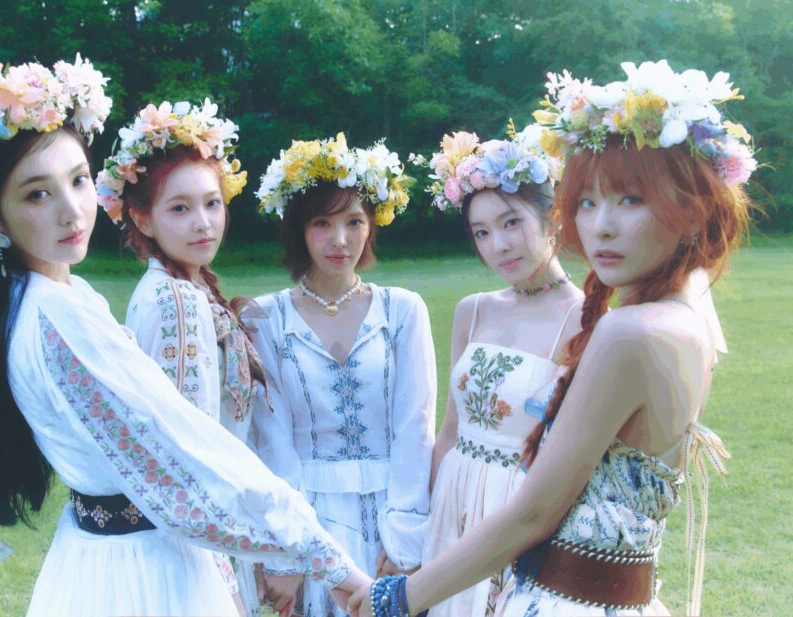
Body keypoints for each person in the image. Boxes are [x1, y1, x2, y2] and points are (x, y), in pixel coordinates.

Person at [0, 57, 368, 617]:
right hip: (143, 571)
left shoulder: (40, 297)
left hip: (98, 555)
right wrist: (328, 561)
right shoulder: (59, 313)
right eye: (37, 195)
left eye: (77, 180)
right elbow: (189, 450)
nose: (71, 210)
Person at [348, 59, 754, 617]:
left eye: (630, 200)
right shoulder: (686, 322)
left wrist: (396, 598)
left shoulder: (628, 331)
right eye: (587, 201)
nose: (601, 225)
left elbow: (533, 513)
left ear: (691, 211)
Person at [246, 134, 436, 617]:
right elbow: (271, 437)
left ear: (371, 226)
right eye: (322, 223)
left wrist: (406, 540)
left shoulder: (402, 310)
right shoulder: (266, 317)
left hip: (390, 517)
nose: (340, 240)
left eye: (354, 222)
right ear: (299, 229)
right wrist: (288, 549)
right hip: (309, 520)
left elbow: (415, 425)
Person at [410, 126, 583, 616]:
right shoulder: (473, 310)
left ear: (553, 217)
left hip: (519, 507)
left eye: (511, 223)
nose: (499, 245)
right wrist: (426, 519)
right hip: (454, 498)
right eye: (482, 233)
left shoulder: (586, 318)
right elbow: (450, 430)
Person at [97, 100, 261, 614]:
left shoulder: (178, 289)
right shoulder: (175, 301)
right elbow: (188, 451)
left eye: (212, 204)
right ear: (142, 219)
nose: (203, 223)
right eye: (180, 209)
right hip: (192, 544)